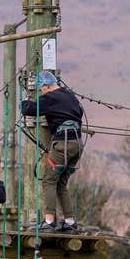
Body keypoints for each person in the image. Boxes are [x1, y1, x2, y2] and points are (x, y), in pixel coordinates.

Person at [20, 70, 85, 233]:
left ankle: (49, 222)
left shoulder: (51, 97)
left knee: (49, 180)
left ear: (47, 86)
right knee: (61, 183)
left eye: (41, 89)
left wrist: (25, 101)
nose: (41, 93)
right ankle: (69, 222)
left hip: (62, 144)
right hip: (77, 144)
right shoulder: (70, 96)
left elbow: (29, 109)